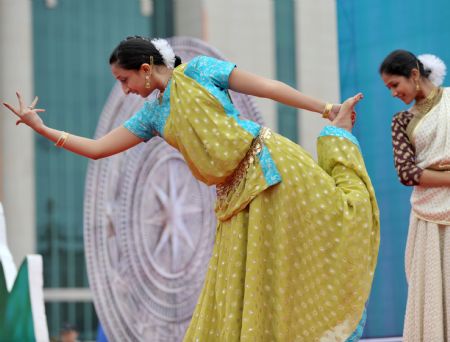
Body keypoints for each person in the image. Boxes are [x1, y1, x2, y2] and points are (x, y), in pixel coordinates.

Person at [3, 36, 379, 341]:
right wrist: (43, 129)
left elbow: (266, 87)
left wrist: (326, 108)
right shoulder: (153, 113)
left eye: (124, 80)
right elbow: (99, 150)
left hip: (270, 169)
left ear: (146, 70)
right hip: (234, 198)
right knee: (244, 291)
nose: (125, 90)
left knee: (301, 251)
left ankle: (340, 140)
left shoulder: (201, 71)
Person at [380, 49, 449, 341]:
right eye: (388, 89)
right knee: (431, 290)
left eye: (395, 85)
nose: (393, 93)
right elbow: (407, 174)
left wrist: (434, 172)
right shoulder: (400, 122)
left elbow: (418, 172)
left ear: (415, 74)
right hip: (427, 218)